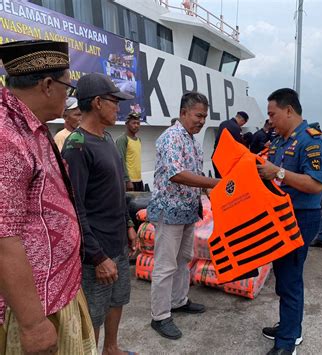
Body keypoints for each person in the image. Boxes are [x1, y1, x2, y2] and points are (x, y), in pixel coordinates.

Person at [0, 40, 95, 354]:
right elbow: (3, 238)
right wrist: (33, 325)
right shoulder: (6, 138)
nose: (69, 96)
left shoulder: (30, 126)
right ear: (47, 85)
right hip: (33, 305)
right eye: (67, 86)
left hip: (55, 291)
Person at [62, 73, 138, 354]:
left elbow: (117, 190)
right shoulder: (77, 146)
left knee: (117, 300)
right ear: (96, 102)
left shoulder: (106, 138)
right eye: (114, 101)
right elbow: (74, 207)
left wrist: (129, 224)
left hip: (117, 241)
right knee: (93, 311)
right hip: (97, 252)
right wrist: (97, 256)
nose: (118, 107)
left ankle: (112, 348)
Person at [257, 88, 322, 355]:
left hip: (301, 217)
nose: (270, 120)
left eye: (273, 114)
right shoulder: (280, 141)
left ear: (289, 111)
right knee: (284, 275)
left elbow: (315, 184)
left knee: (290, 278)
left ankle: (288, 342)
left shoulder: (311, 141)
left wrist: (279, 172)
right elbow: (271, 176)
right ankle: (289, 326)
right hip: (280, 215)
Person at [147, 92, 219, 340]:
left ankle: (179, 301)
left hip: (188, 211)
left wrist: (213, 194)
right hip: (169, 211)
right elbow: (177, 174)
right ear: (184, 112)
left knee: (183, 259)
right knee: (165, 265)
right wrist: (217, 183)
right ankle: (160, 316)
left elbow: (196, 177)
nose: (202, 121)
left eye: (205, 117)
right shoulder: (171, 138)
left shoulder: (191, 140)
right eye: (198, 115)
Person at [213, 111, 249, 177]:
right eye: (243, 123)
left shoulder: (223, 123)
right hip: (226, 161)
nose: (242, 125)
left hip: (216, 157)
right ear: (242, 120)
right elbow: (239, 146)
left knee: (218, 181)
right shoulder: (236, 128)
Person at [116, 112, 144, 191]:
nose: (136, 125)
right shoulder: (122, 139)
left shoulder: (139, 140)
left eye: (138, 123)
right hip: (128, 182)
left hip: (138, 180)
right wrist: (127, 180)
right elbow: (120, 161)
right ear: (127, 124)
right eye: (133, 123)